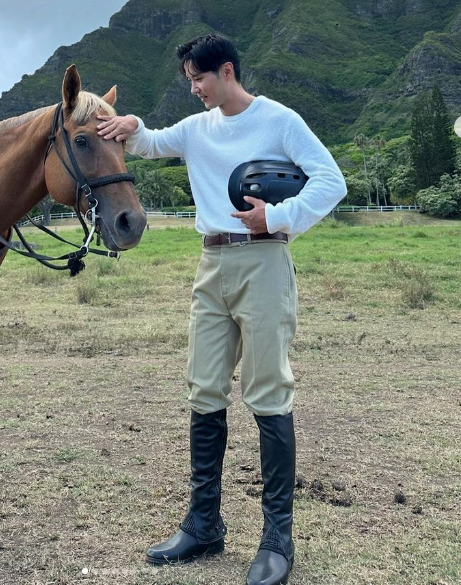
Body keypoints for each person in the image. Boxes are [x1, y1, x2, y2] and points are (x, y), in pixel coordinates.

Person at [97, 34, 346, 585]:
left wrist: (277, 216)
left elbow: (332, 181)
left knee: (268, 390)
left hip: (265, 261)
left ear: (226, 71)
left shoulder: (280, 120)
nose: (194, 88)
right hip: (212, 264)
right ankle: (204, 525)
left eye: (199, 78)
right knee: (205, 388)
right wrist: (130, 126)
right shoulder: (196, 129)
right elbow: (151, 142)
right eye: (189, 79)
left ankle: (277, 539)